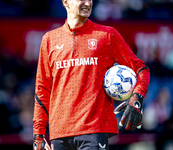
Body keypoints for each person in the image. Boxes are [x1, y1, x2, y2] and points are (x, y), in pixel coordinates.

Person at [33, 0, 150, 149]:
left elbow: (141, 68)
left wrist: (137, 96)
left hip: (94, 131)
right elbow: (42, 90)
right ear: (66, 2)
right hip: (59, 133)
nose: (87, 3)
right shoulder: (49, 40)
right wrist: (38, 135)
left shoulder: (107, 35)